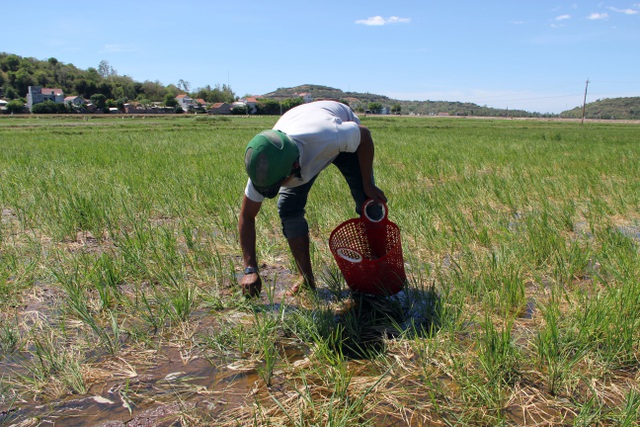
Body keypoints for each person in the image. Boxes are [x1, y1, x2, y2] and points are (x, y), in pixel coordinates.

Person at [238, 100, 387, 297]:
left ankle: (380, 267)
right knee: (288, 208)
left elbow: (364, 135)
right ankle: (306, 279)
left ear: (294, 167)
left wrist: (367, 183)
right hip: (299, 128)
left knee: (369, 204)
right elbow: (247, 216)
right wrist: (250, 269)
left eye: (281, 183)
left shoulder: (329, 135)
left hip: (339, 129)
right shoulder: (265, 166)